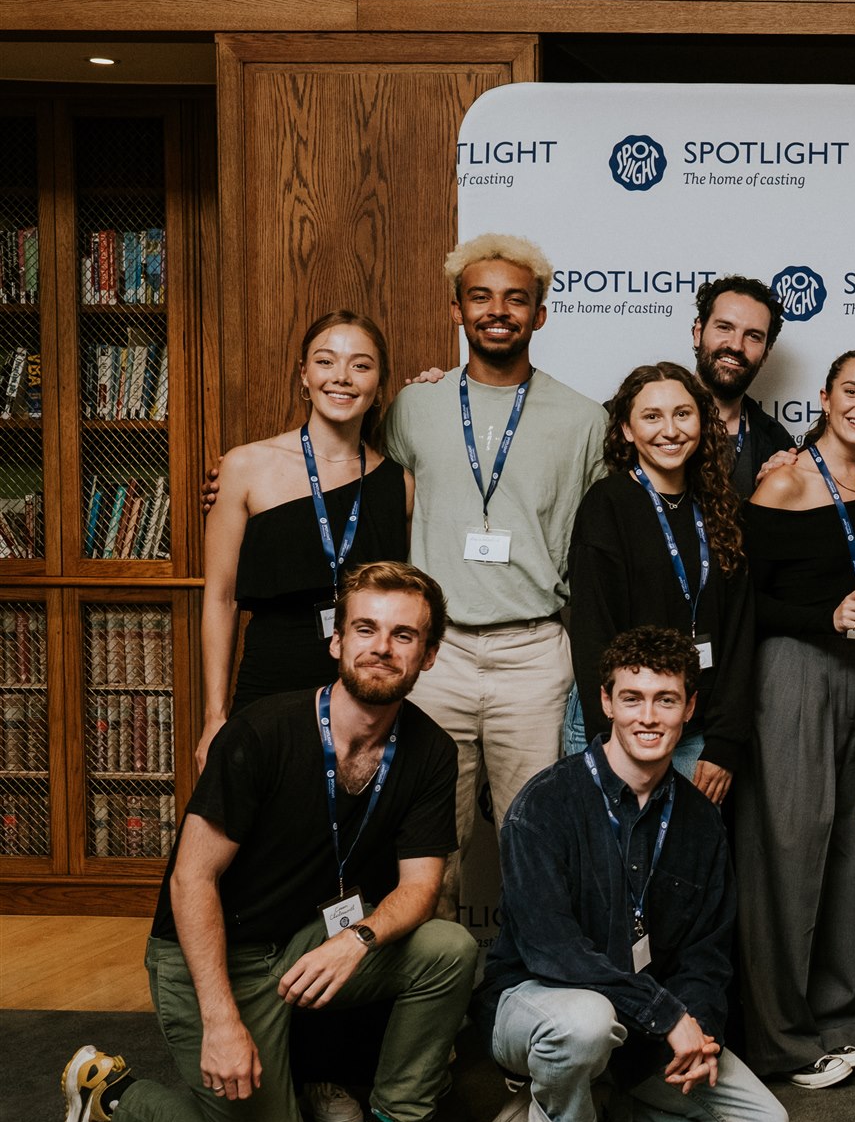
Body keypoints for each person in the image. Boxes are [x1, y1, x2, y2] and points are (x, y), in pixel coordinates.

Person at [60, 562, 495, 1122]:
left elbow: (421, 886)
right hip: (208, 956)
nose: (382, 645)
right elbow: (191, 879)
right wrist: (222, 1021)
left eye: (404, 635)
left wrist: (357, 939)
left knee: (450, 947)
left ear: (428, 655)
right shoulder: (261, 734)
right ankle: (116, 1097)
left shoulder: (428, 750)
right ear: (336, 641)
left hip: (304, 940)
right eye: (366, 628)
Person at [476, 626, 788, 1122]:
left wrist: (697, 1034)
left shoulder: (699, 821)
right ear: (605, 703)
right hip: (537, 1005)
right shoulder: (546, 804)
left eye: (666, 700)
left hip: (642, 1027)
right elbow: (553, 951)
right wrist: (668, 1015)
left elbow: (706, 951)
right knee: (586, 1020)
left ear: (689, 708)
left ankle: (610, 1115)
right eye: (632, 698)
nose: (649, 717)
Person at [380, 233, 609, 917]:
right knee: (428, 846)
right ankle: (435, 1012)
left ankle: (527, 1008)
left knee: (536, 841)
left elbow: (603, 536)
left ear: (541, 315)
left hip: (534, 653)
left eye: (517, 298)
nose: (497, 310)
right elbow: (365, 495)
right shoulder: (414, 405)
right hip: (435, 657)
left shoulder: (585, 419)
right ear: (456, 310)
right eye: (481, 296)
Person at [738, 348, 855, 1088]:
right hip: (795, 670)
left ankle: (845, 1019)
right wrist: (823, 616)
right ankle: (782, 1038)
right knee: (789, 848)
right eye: (853, 391)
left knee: (854, 849)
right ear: (825, 398)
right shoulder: (785, 478)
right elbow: (744, 603)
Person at [199, 310, 412, 764]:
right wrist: (214, 717)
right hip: (269, 683)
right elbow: (220, 599)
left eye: (361, 365)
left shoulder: (400, 486)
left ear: (379, 384)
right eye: (325, 361)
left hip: (365, 692)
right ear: (304, 375)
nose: (342, 377)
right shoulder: (242, 468)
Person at [566, 362, 753, 801]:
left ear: (702, 423)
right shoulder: (607, 505)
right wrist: (614, 738)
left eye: (682, 414)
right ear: (627, 431)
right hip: (622, 725)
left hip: (697, 732)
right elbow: (594, 632)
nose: (670, 430)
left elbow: (742, 632)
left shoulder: (720, 506)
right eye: (651, 416)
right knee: (612, 864)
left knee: (686, 865)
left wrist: (725, 742)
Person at [692, 275, 798, 502]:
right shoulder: (637, 419)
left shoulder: (777, 441)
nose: (736, 345)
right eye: (724, 327)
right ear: (698, 333)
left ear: (766, 352)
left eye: (753, 336)